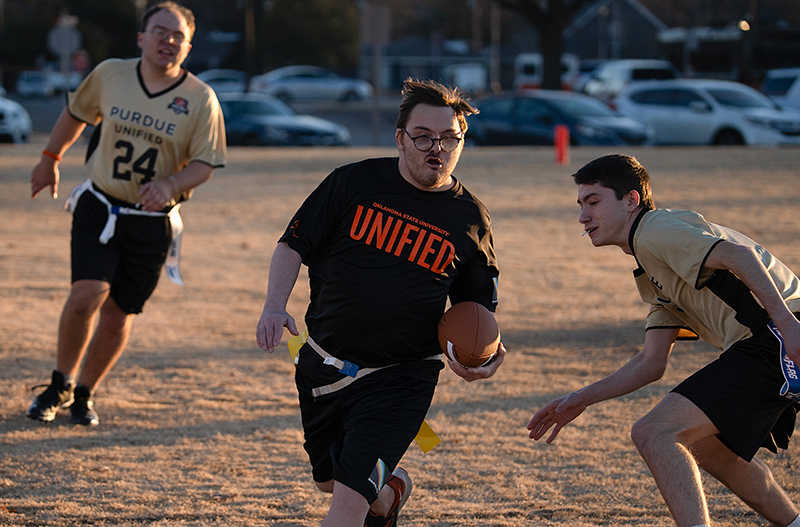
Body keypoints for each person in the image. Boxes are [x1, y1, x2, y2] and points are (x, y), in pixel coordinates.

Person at [255, 78, 505, 527]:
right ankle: (390, 494)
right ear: (399, 138)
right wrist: (275, 305)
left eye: (451, 138)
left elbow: (476, 308)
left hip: (401, 377)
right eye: (424, 136)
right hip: (324, 362)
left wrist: (485, 351)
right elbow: (292, 245)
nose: (438, 148)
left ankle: (372, 492)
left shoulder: (470, 217)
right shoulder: (353, 181)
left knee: (346, 505)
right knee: (331, 481)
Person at [528, 154, 800, 527]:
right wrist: (579, 399)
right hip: (773, 341)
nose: (582, 217)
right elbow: (651, 363)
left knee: (655, 432)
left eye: (593, 202)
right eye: (580, 205)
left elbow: (740, 255)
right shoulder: (652, 273)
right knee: (708, 448)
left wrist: (788, 325)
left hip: (778, 336)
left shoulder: (655, 229)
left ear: (631, 200)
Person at [27, 1, 226, 426]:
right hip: (99, 206)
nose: (167, 41)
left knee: (118, 315)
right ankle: (59, 383)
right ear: (141, 37)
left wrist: (170, 185)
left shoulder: (200, 99)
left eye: (178, 36)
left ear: (188, 48)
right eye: (159, 31)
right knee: (86, 294)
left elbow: (205, 163)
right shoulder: (111, 74)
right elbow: (77, 114)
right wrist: (49, 159)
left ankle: (85, 393)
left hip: (151, 224)